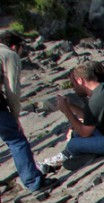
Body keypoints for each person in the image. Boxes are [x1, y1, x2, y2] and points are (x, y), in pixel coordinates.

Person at [38, 61, 104, 172]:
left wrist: (66, 111)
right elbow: (90, 118)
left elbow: (85, 132)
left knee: (74, 144)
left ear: (80, 81)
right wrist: (71, 106)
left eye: (73, 84)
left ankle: (63, 158)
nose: (73, 88)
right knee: (76, 133)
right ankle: (83, 153)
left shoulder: (97, 99)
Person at [0, 30, 56, 193]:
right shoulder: (8, 54)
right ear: (14, 46)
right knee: (16, 140)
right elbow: (13, 90)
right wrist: (15, 115)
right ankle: (34, 182)